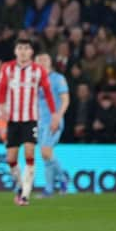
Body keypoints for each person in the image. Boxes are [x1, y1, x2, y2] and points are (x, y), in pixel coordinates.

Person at [0, 38, 56, 206]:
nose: (23, 51)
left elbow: (48, 93)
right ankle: (21, 186)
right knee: (11, 159)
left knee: (29, 153)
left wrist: (54, 115)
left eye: (26, 48)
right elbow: (0, 91)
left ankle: (25, 195)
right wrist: (1, 109)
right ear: (16, 51)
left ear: (31, 52)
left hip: (30, 119)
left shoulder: (38, 71)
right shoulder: (7, 68)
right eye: (20, 48)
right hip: (13, 120)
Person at [34, 53, 70, 198]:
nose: (42, 62)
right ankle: (49, 189)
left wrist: (58, 115)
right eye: (39, 61)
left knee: (45, 151)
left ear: (50, 62)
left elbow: (65, 100)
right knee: (46, 156)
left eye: (45, 60)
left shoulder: (58, 79)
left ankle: (63, 178)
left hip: (54, 120)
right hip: (41, 122)